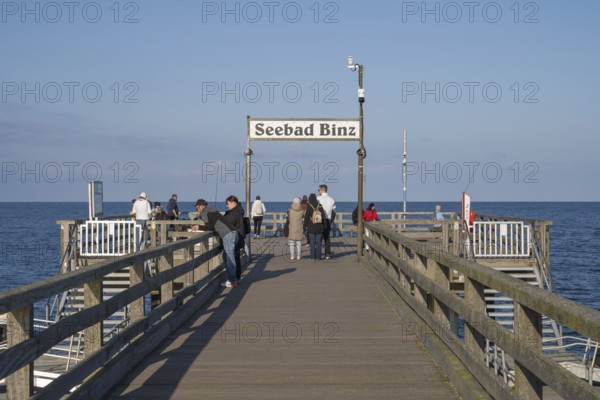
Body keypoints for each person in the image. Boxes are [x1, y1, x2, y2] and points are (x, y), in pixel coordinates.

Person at [194, 198, 240, 288]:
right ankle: (234, 279)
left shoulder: (204, 212)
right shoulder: (212, 210)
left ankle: (232, 281)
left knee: (229, 259)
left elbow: (209, 227)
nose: (197, 210)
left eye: (197, 208)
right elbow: (214, 225)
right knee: (227, 257)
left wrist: (198, 226)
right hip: (233, 233)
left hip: (227, 235)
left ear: (201, 206)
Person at [222, 195, 245, 281]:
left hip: (233, 238)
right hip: (238, 237)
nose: (227, 205)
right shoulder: (239, 211)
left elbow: (224, 222)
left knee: (229, 257)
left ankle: (232, 279)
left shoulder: (234, 213)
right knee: (235, 257)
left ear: (233, 203)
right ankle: (236, 278)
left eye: (228, 203)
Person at [304, 193, 326, 262]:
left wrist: (304, 227)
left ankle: (312, 257)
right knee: (319, 243)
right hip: (319, 227)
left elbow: (306, 217)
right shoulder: (320, 206)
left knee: (312, 243)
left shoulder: (309, 206)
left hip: (311, 227)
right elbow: (323, 217)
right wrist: (324, 225)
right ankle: (318, 258)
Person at [317, 184, 336, 259]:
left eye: (318, 190)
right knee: (327, 237)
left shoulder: (318, 198)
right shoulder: (332, 199)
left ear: (322, 190)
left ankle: (318, 254)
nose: (318, 191)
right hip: (328, 219)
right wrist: (331, 220)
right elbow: (334, 212)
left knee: (319, 237)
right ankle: (327, 254)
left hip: (320, 220)